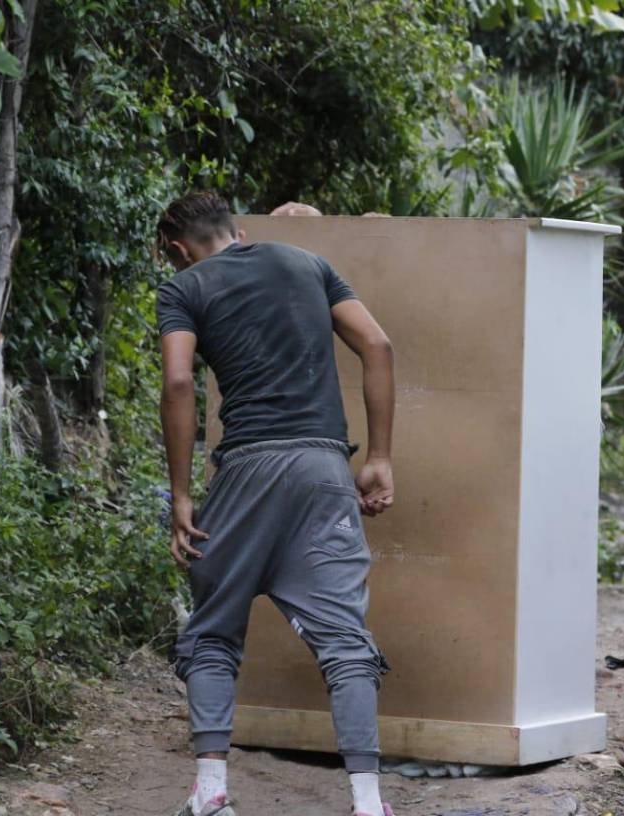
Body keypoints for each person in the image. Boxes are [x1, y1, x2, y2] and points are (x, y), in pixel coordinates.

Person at [155, 192, 396, 816]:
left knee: (212, 630)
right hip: (324, 470)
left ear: (179, 250)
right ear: (235, 228)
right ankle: (368, 802)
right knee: (344, 639)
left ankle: (211, 793)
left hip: (248, 471)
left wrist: (181, 494)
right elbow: (378, 345)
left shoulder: (186, 290)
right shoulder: (309, 265)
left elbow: (180, 382)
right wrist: (379, 457)